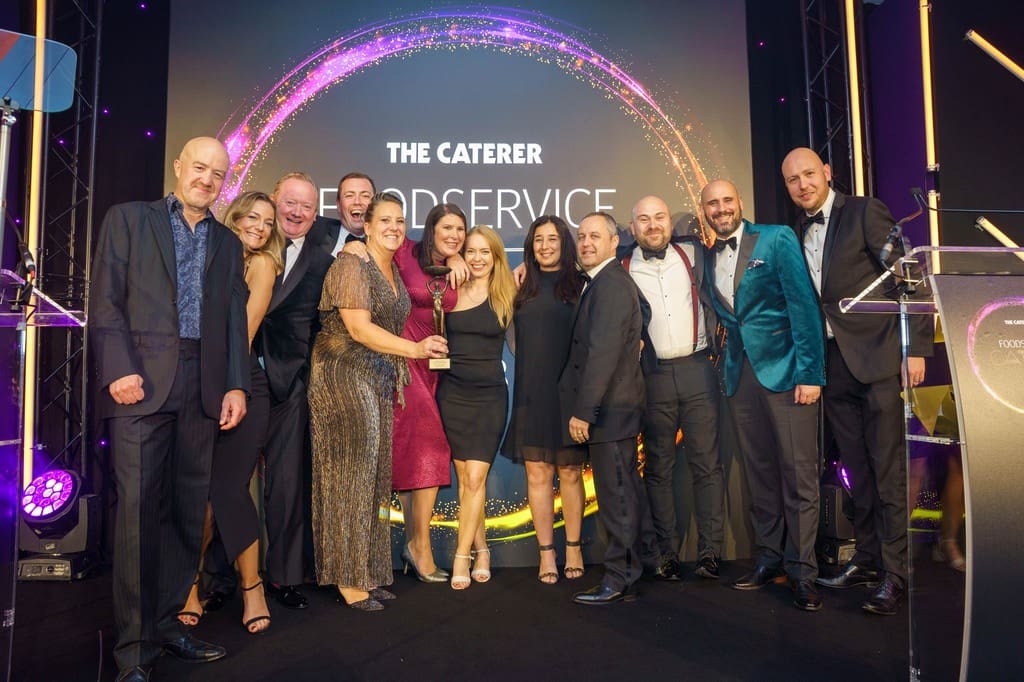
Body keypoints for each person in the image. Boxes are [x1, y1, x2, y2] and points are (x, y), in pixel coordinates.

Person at [90, 136, 249, 682]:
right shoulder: (129, 219)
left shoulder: (228, 243)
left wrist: (235, 385)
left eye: (217, 172)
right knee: (137, 516)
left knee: (186, 514)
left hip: (202, 385)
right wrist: (118, 368)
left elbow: (232, 319)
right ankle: (133, 651)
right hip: (140, 383)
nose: (206, 178)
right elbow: (105, 298)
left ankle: (168, 626)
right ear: (179, 167)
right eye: (198, 167)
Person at [781, 147, 933, 614]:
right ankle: (867, 558)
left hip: (880, 359)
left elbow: (910, 275)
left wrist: (918, 348)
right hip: (834, 364)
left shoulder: (866, 211)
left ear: (827, 173)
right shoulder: (796, 231)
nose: (803, 184)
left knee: (887, 471)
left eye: (810, 174)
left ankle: (895, 573)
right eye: (793, 180)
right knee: (858, 472)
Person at [309, 192, 448, 611]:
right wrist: (417, 350)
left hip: (378, 378)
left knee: (372, 478)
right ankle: (347, 579)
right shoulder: (352, 263)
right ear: (365, 226)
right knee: (349, 478)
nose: (393, 227)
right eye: (384, 219)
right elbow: (360, 329)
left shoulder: (389, 265)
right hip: (343, 377)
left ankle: (367, 572)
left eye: (399, 221)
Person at [702, 179, 825, 612]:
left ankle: (803, 572)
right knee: (760, 477)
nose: (721, 209)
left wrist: (811, 373)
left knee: (799, 477)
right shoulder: (706, 256)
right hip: (740, 379)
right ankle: (769, 559)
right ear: (705, 212)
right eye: (712, 204)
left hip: (789, 374)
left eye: (726, 201)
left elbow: (803, 305)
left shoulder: (776, 238)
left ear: (739, 204)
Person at [177, 191, 282, 634]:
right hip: (196, 384)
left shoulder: (260, 264)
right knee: (198, 496)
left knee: (228, 487)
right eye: (252, 218)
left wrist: (228, 386)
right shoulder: (205, 256)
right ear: (234, 218)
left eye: (267, 222)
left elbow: (246, 329)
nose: (259, 227)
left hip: (243, 385)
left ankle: (252, 586)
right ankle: (188, 586)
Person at [626, 195, 726, 581]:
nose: (653, 225)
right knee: (658, 468)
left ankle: (710, 553)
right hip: (651, 376)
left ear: (670, 222)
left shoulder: (696, 254)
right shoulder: (622, 264)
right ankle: (665, 553)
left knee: (707, 466)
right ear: (632, 228)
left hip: (699, 369)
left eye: (659, 217)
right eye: (644, 219)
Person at [561, 211, 657, 606]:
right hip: (617, 408)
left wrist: (584, 411)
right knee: (625, 493)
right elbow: (640, 317)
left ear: (615, 240)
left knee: (616, 496)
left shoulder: (611, 284)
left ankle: (619, 578)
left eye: (594, 236)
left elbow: (601, 354)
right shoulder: (607, 281)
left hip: (611, 410)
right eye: (581, 236)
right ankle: (635, 567)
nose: (585, 243)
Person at [257, 172, 337, 609]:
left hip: (290, 385)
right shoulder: (243, 243)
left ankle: (284, 577)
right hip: (236, 376)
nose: (297, 212)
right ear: (274, 200)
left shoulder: (323, 261)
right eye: (290, 202)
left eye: (307, 207)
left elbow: (322, 328)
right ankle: (216, 578)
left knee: (287, 486)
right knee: (224, 486)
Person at [502, 215, 587, 584]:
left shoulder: (581, 284)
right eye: (538, 240)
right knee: (538, 473)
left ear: (564, 243)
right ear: (530, 246)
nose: (545, 246)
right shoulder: (520, 285)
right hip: (531, 391)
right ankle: (546, 553)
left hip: (569, 391)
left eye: (552, 239)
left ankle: (574, 547)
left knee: (569, 472)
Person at [392, 203, 467, 581]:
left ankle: (412, 541)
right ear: (431, 229)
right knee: (431, 446)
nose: (453, 235)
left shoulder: (462, 262)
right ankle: (420, 548)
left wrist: (455, 260)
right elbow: (370, 240)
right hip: (404, 362)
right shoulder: (405, 250)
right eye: (446, 228)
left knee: (411, 454)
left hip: (435, 368)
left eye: (460, 229)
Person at [437, 226, 515, 589]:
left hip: (489, 397)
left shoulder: (508, 293)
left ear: (496, 257)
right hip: (452, 394)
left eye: (486, 252)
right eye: (470, 251)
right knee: (469, 482)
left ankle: (460, 556)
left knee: (473, 479)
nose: (478, 258)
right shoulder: (448, 288)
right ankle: (482, 549)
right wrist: (450, 259)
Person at [326, 172, 376, 255]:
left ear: (374, 204)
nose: (357, 202)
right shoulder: (317, 234)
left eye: (365, 196)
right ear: (338, 204)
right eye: (349, 195)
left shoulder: (387, 239)